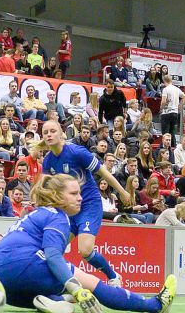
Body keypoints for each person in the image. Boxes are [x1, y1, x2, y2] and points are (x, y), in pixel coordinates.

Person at [0, 173, 176, 313]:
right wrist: (76, 288)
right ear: (57, 196)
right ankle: (155, 305)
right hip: (22, 264)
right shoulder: (58, 217)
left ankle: (52, 300)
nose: (80, 198)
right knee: (89, 282)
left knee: (58, 281)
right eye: (74, 193)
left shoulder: (36, 213)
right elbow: (52, 256)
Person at [38, 120, 131, 286]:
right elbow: (42, 190)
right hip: (66, 210)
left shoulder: (76, 152)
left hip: (88, 205)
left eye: (53, 131)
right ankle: (59, 286)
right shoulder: (48, 161)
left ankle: (113, 277)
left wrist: (122, 192)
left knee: (85, 250)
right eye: (45, 133)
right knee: (52, 251)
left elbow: (103, 173)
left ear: (61, 133)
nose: (49, 135)